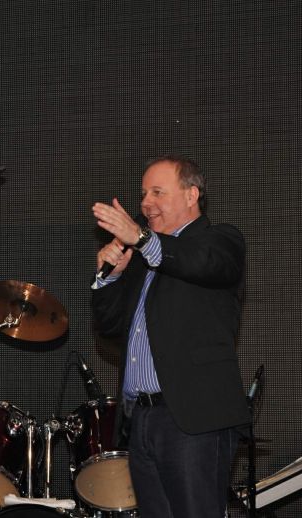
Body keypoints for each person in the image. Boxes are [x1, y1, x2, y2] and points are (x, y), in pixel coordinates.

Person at [90, 156, 250, 518]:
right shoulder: (141, 259)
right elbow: (110, 328)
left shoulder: (220, 240)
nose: (146, 202)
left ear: (192, 195)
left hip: (191, 419)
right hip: (141, 419)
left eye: (157, 192)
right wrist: (110, 277)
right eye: (143, 194)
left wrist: (142, 238)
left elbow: (197, 261)